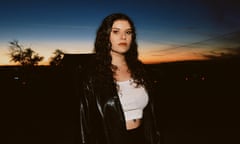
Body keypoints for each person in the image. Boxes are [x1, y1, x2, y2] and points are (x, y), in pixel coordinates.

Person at [77, 13, 161, 144]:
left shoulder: (140, 70)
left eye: (128, 32)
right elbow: (85, 124)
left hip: (142, 138)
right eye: (116, 31)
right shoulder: (93, 75)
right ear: (105, 36)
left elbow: (153, 115)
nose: (123, 37)